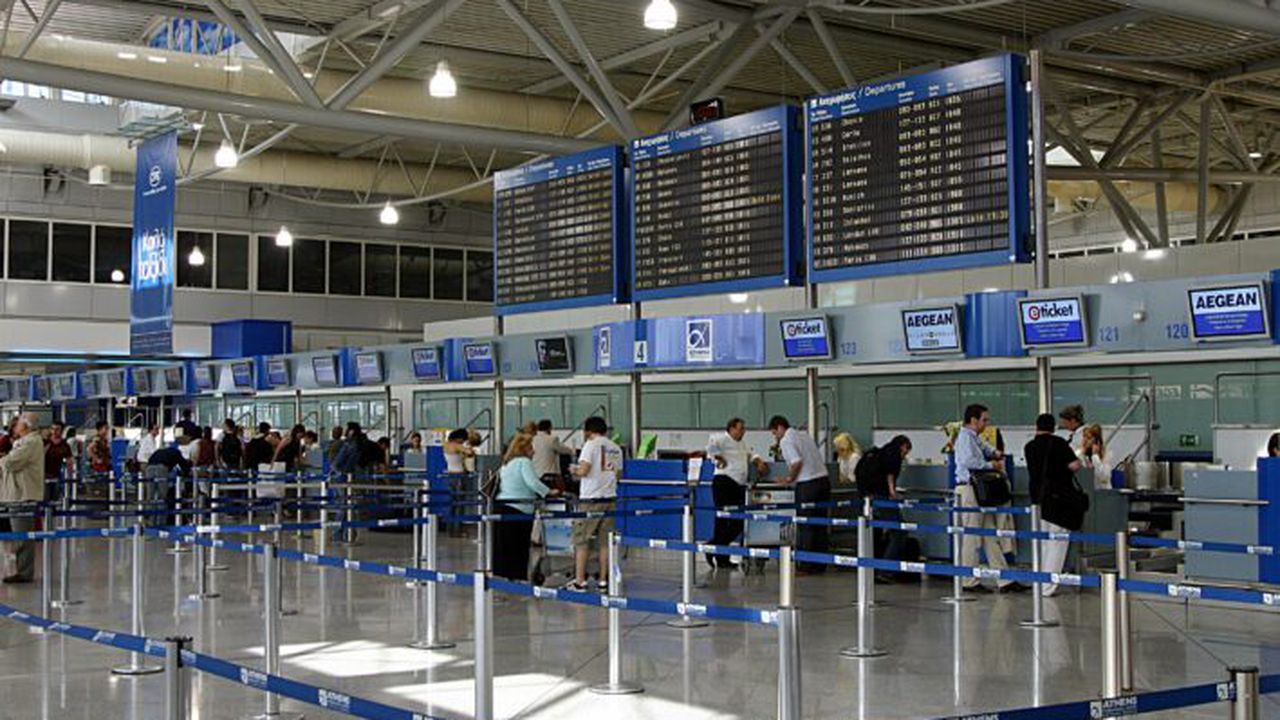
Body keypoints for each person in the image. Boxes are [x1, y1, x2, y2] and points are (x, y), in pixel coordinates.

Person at [954, 404, 1026, 593]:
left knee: (989, 535)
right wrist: (991, 464)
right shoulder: (964, 438)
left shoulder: (973, 438)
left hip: (980, 492)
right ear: (973, 420)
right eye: (984, 419)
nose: (987, 423)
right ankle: (968, 581)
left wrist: (995, 453)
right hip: (969, 489)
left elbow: (984, 447)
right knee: (971, 536)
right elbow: (969, 461)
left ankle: (1004, 579)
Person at [1025, 413, 1085, 597]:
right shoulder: (1059, 443)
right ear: (1054, 428)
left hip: (1037, 499)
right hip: (1058, 499)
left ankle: (1038, 583)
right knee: (1057, 543)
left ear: (1037, 426)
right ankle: (1048, 587)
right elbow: (1075, 465)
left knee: (1042, 543)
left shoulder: (1029, 446)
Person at [769, 415, 831, 575]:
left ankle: (805, 565)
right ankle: (820, 565)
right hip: (823, 481)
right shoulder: (804, 436)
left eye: (774, 433)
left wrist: (789, 479)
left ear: (779, 428)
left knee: (806, 525)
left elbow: (797, 462)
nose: (776, 437)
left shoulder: (786, 440)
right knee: (820, 525)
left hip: (808, 484)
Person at [567, 416, 622, 591]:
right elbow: (618, 475)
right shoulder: (615, 448)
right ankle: (603, 581)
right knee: (605, 542)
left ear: (589, 431)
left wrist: (573, 469)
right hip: (610, 499)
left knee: (582, 540)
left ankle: (580, 581)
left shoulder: (590, 445)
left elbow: (584, 470)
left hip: (591, 500)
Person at [705, 417, 768, 569]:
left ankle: (713, 546)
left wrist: (759, 462)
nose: (743, 431)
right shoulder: (722, 439)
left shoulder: (743, 443)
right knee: (722, 520)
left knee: (738, 522)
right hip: (724, 481)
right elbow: (711, 447)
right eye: (740, 428)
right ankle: (721, 557)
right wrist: (718, 458)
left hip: (738, 485)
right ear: (731, 429)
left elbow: (751, 454)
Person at [494, 432, 557, 581]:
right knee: (519, 546)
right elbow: (533, 483)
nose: (534, 451)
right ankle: (517, 577)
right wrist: (549, 492)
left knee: (505, 546)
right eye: (531, 448)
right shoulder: (524, 462)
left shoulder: (507, 463)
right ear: (524, 450)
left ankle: (504, 577)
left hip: (503, 506)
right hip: (519, 508)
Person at [854, 435, 912, 582]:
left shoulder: (875, 453)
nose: (905, 455)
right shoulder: (893, 454)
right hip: (881, 498)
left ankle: (869, 569)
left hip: (867, 498)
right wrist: (893, 493)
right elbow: (890, 474)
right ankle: (886, 571)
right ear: (903, 446)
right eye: (906, 451)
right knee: (899, 531)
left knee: (874, 533)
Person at [0, 415, 46, 583]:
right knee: (18, 536)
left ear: (26, 426)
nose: (14, 425)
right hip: (14, 495)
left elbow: (10, 463)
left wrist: (3, 459)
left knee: (22, 537)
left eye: (18, 423)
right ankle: (22, 570)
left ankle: (25, 573)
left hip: (23, 496)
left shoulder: (31, 443)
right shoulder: (23, 442)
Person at [531, 419, 573, 488]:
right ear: (549, 428)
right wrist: (572, 450)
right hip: (549, 475)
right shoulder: (552, 439)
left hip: (535, 474)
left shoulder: (532, 439)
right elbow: (563, 450)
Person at [44, 421, 73, 502]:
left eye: (57, 429)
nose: (54, 432)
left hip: (57, 475)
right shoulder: (45, 442)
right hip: (44, 475)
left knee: (55, 499)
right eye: (52, 429)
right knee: (45, 499)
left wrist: (70, 474)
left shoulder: (64, 445)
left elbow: (69, 459)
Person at [1078, 423, 1111, 488]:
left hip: (1101, 491)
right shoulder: (1081, 453)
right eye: (1084, 437)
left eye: (1088, 438)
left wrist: (1095, 456)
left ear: (1096, 441)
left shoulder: (1106, 455)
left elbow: (1103, 478)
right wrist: (1081, 453)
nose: (1085, 440)